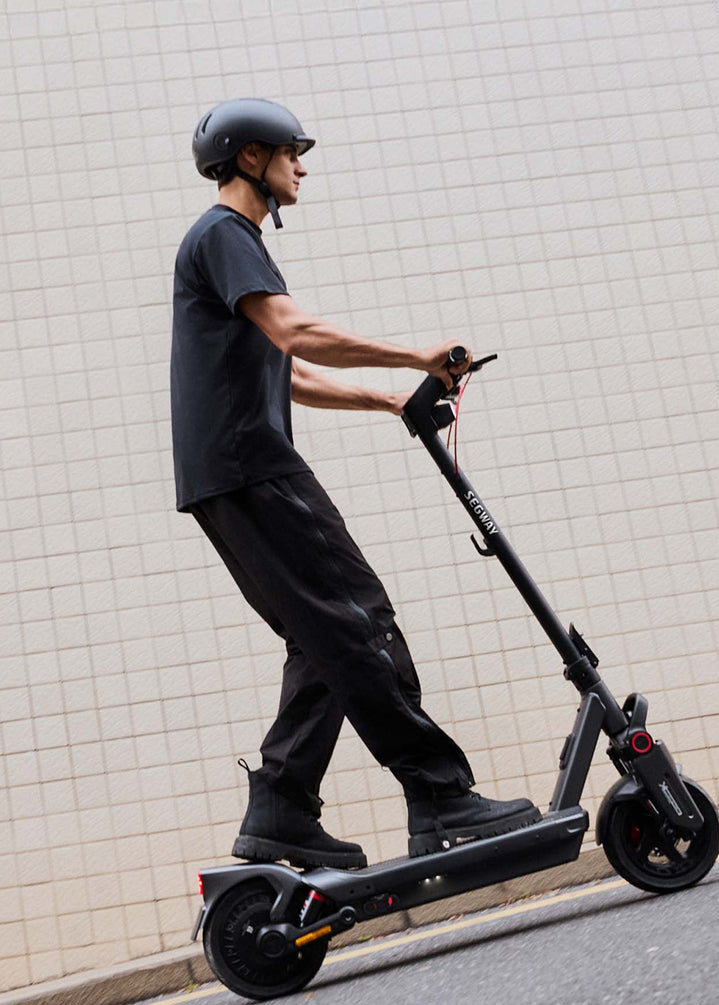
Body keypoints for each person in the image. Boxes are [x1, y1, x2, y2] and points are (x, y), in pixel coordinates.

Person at [171, 98, 540, 870]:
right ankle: (440, 794)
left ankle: (280, 809)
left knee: (322, 636)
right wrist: (414, 356)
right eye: (290, 152)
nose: (301, 165)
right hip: (252, 469)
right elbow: (297, 332)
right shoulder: (225, 236)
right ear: (250, 160)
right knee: (359, 618)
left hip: (229, 477)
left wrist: (389, 399)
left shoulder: (224, 247)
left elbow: (290, 371)